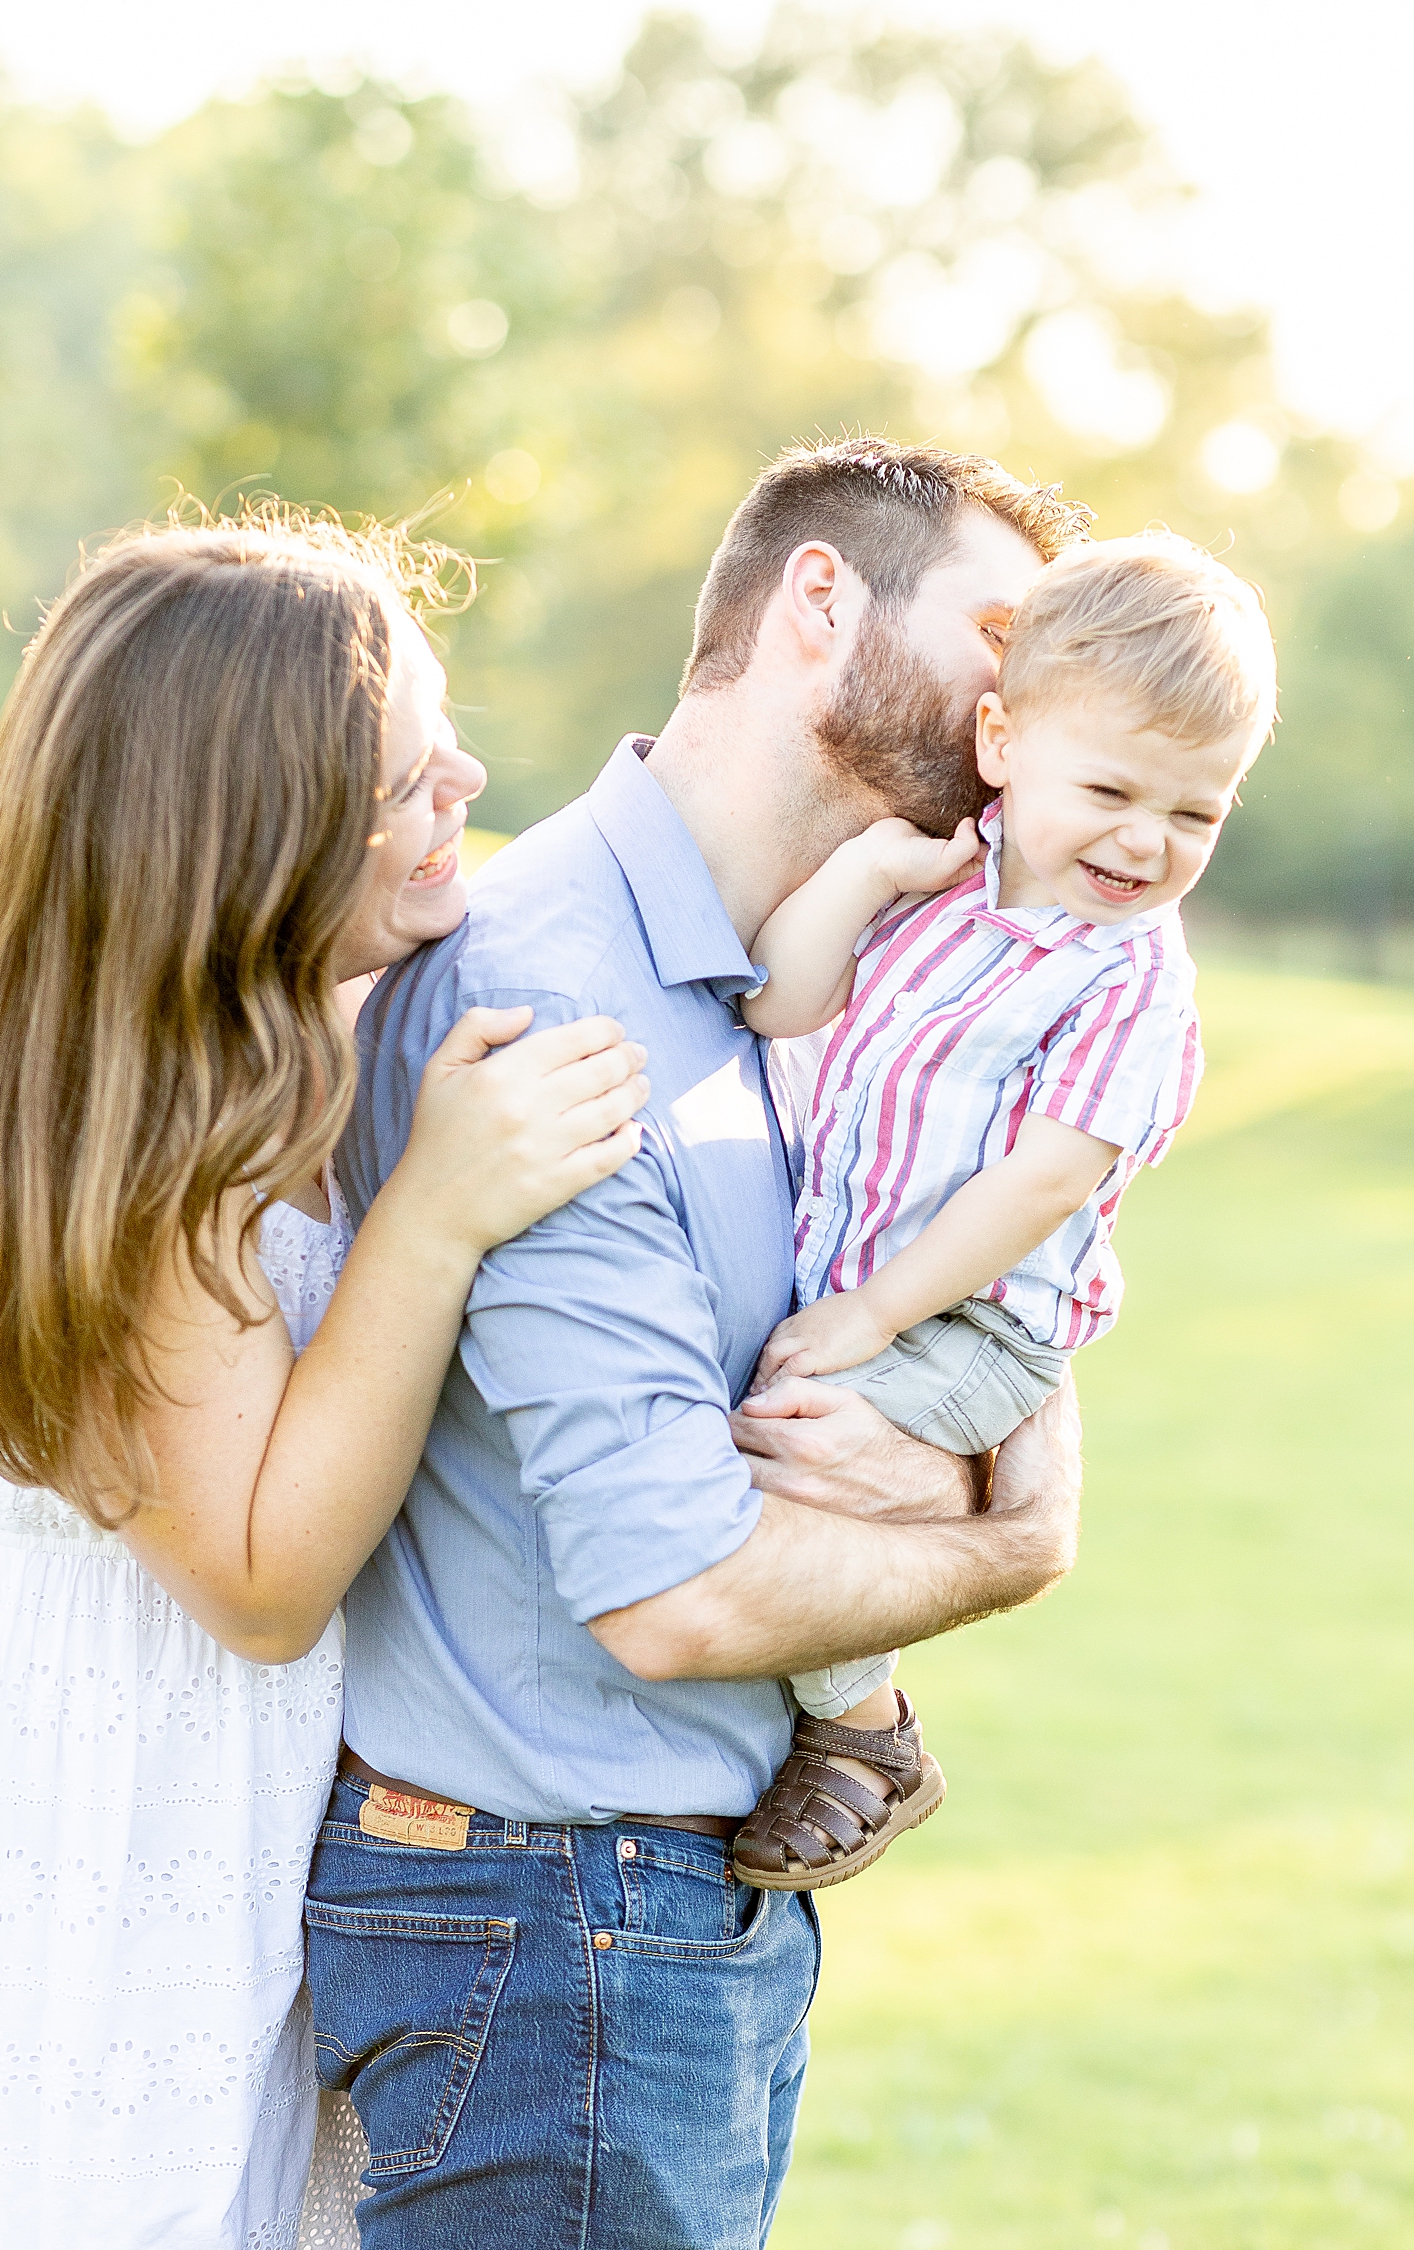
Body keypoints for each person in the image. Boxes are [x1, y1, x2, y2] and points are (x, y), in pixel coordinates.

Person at [307, 437, 1090, 2250]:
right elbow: (672, 1590)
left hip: (661, 1919)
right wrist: (1009, 1541)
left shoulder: (846, 989)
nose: (1024, 712)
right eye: (1000, 637)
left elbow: (1006, 1311)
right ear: (820, 602)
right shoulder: (557, 1000)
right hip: (557, 1917)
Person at [0, 508, 648, 2250]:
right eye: (405, 762)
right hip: (132, 1875)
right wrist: (431, 1214)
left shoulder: (353, 1035)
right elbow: (266, 1584)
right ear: (248, 823)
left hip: (293, 1857)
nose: (468, 771)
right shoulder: (131, 1150)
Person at [733, 532, 1279, 1889]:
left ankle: (865, 1729)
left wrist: (871, 1314)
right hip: (849, 1278)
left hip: (975, 1321)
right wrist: (859, 877)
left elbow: (1039, 1184)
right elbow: (779, 1002)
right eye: (1111, 788)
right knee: (779, 1435)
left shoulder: (1130, 986)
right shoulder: (937, 891)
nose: (1146, 840)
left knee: (797, 1455)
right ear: (1001, 739)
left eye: (1197, 814)